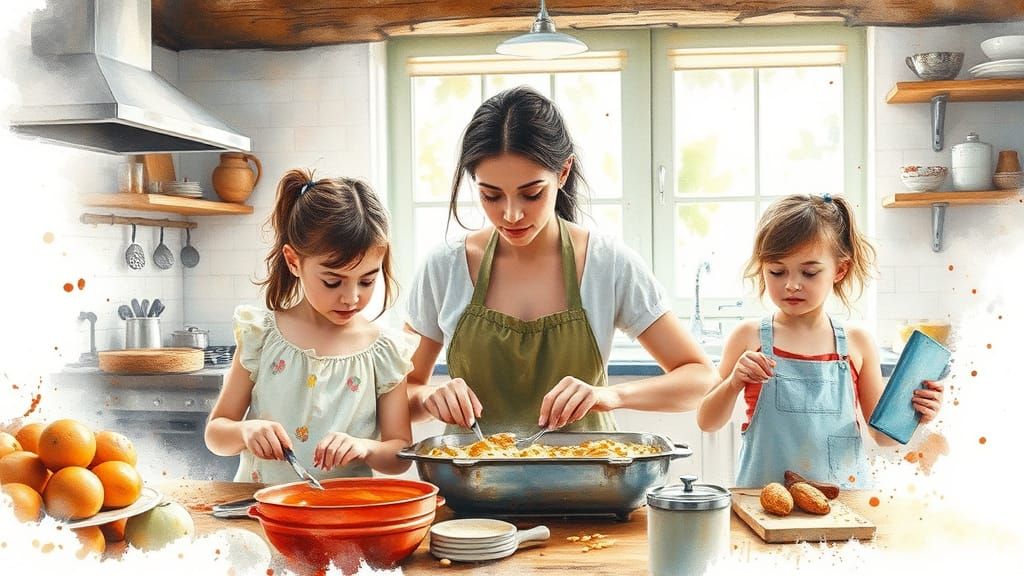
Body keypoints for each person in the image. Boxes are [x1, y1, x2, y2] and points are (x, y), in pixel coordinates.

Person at [404, 86, 717, 436]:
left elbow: (701, 378)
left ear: (563, 172)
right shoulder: (444, 268)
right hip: (474, 488)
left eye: (531, 193)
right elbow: (400, 393)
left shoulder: (607, 263)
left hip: (590, 484)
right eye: (491, 195)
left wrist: (611, 395)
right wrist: (429, 396)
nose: (511, 214)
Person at [697, 194, 944, 488]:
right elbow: (707, 421)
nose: (791, 284)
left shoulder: (858, 342)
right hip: (763, 504)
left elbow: (882, 436)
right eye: (777, 271)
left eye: (809, 272)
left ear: (840, 270)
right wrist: (734, 382)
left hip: (844, 506)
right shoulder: (747, 337)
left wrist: (918, 414)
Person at [205, 170, 416, 482]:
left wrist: (364, 448)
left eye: (368, 280)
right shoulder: (261, 336)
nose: (352, 297)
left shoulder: (384, 351)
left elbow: (401, 453)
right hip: (261, 510)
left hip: (345, 515)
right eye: (333, 281)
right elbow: (216, 432)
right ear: (293, 262)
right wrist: (245, 431)